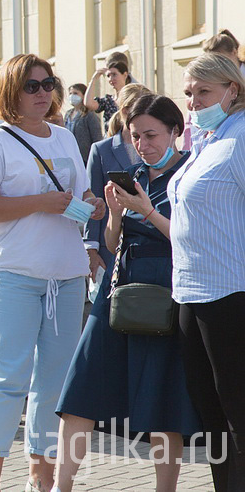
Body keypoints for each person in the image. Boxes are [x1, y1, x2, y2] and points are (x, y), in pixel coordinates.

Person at [0, 53, 106, 492]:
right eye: (32, 86)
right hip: (14, 273)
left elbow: (77, 191)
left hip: (65, 273)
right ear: (11, 91)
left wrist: (93, 204)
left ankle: (40, 477)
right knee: (7, 379)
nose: (43, 93)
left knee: (54, 383)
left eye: (48, 84)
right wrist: (39, 203)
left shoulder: (64, 138)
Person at [55, 94, 199, 492]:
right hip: (120, 286)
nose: (143, 144)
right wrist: (116, 213)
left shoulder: (192, 173)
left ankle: (164, 488)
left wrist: (146, 209)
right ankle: (60, 485)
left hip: (166, 290)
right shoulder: (132, 172)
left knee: (161, 394)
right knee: (82, 382)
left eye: (151, 135)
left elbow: (188, 239)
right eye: (135, 136)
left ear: (175, 132)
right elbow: (114, 241)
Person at [169, 53, 245, 491]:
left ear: (231, 90)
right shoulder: (208, 138)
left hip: (231, 294)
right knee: (211, 416)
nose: (194, 103)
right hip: (191, 294)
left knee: (236, 411)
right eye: (189, 94)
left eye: (204, 92)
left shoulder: (239, 137)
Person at [84, 83, 151, 293]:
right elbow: (92, 200)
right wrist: (91, 249)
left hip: (147, 244)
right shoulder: (101, 150)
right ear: (124, 112)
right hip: (109, 245)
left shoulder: (157, 146)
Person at [83, 52, 132, 126]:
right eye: (108, 76)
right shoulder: (108, 100)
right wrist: (94, 79)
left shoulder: (133, 97)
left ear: (125, 75)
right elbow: (89, 103)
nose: (111, 79)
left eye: (114, 74)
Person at [64, 83, 102, 164]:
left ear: (83, 95)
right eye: (70, 93)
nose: (72, 96)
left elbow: (97, 137)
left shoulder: (89, 115)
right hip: (70, 157)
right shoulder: (68, 114)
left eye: (75, 93)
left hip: (85, 159)